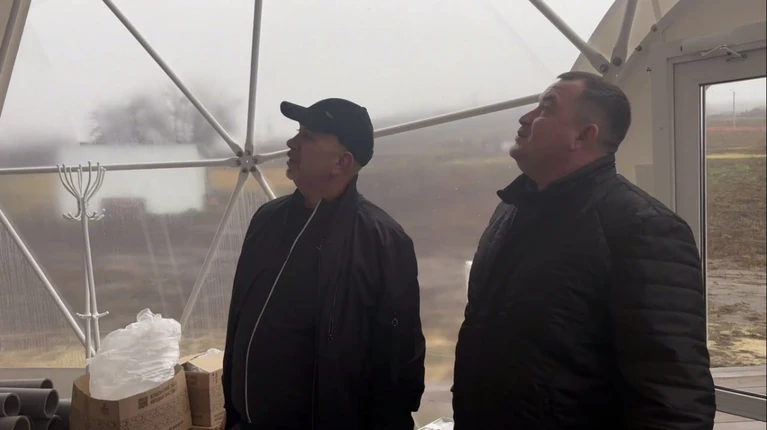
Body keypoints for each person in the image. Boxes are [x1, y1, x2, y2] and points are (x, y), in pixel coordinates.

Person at [452, 71, 716, 428]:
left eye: (547, 108)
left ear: (583, 135)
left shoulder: (641, 228)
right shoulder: (511, 210)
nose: (525, 118)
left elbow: (673, 396)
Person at [222, 98, 425, 430]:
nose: (292, 143)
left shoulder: (381, 240)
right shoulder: (267, 219)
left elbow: (399, 360)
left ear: (342, 162)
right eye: (297, 132)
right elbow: (239, 319)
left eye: (308, 136)